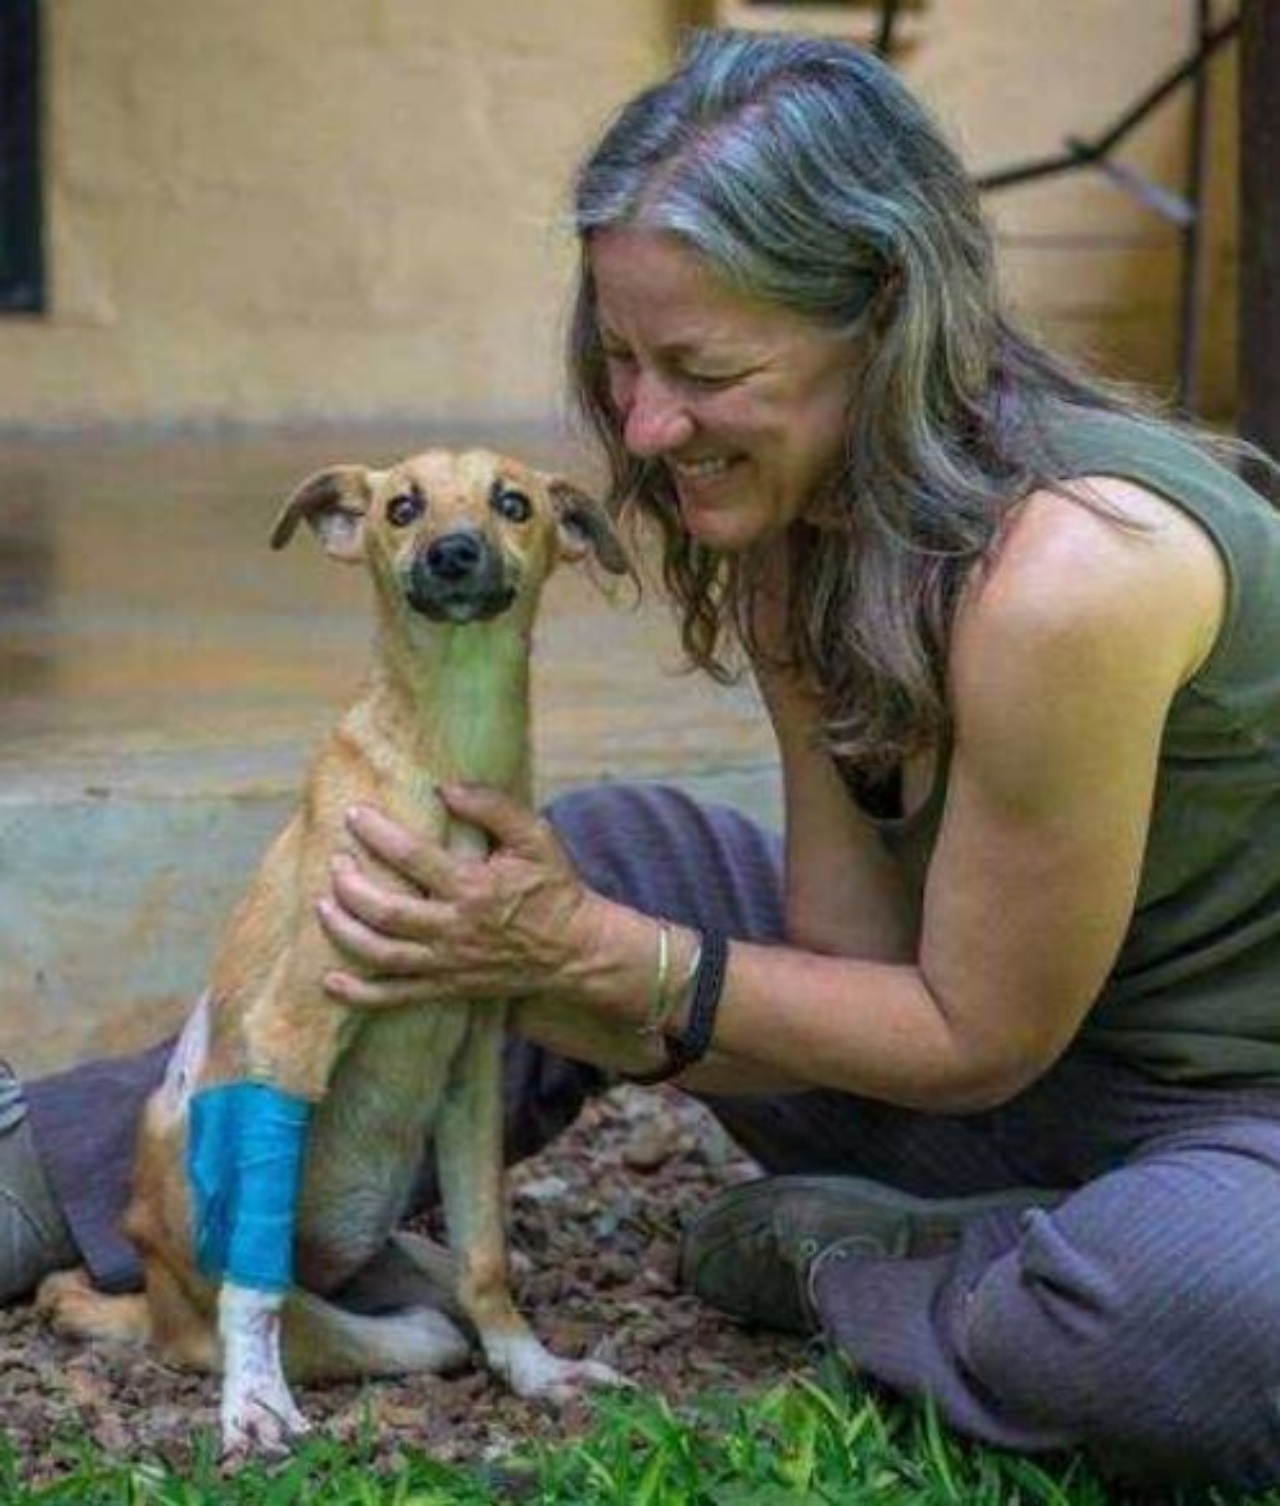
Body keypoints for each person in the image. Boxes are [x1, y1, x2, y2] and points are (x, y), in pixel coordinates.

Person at [6, 27, 1280, 1491]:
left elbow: (977, 1032)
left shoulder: (1078, 572)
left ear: (878, 308)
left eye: (701, 366)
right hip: (979, 1081)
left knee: (1205, 1316)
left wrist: (618, 966)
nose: (648, 425)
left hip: (1219, 1115)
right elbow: (845, 949)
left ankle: (882, 1263)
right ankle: (56, 1173)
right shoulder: (804, 519)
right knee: (504, 866)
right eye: (621, 360)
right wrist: (573, 932)